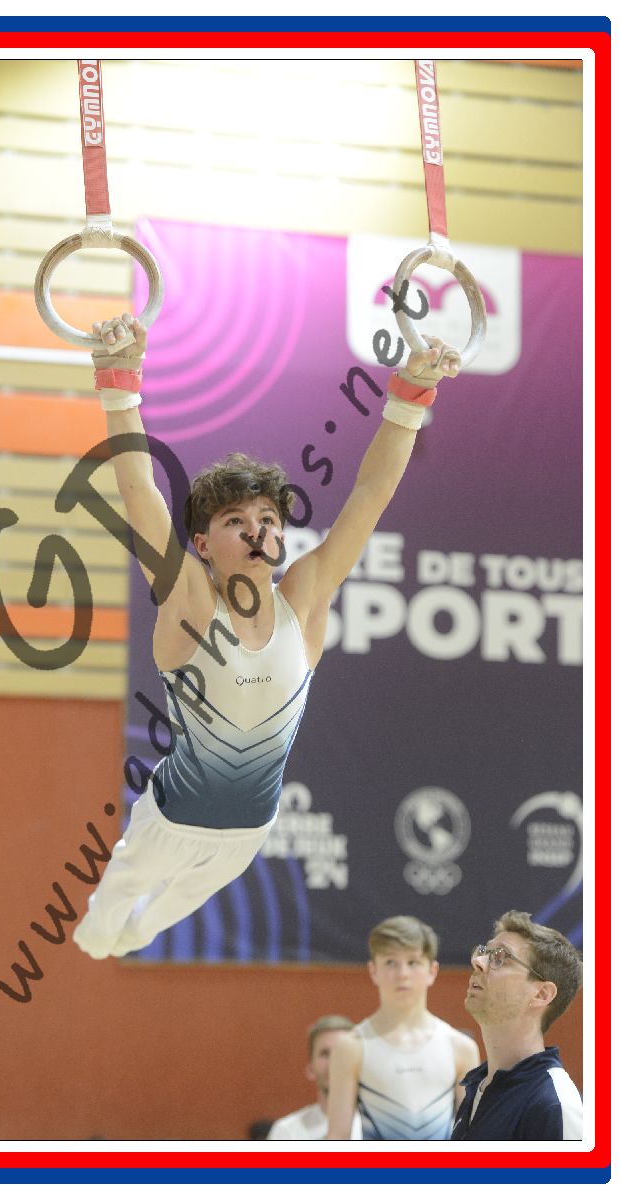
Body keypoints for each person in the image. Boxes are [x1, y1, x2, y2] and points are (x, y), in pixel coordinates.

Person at [72, 314, 460, 961]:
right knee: (105, 923)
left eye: (269, 520)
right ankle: (99, 929)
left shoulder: (303, 601)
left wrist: (410, 394)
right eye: (235, 521)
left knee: (155, 920)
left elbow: (370, 496)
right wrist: (119, 380)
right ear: (202, 544)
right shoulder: (191, 601)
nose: (257, 532)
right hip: (168, 821)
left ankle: (136, 929)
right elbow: (140, 492)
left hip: (249, 831)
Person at [326, 915, 480, 1140]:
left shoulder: (460, 1048)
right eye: (391, 962)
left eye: (413, 962)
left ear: (432, 971)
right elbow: (337, 1139)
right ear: (373, 971)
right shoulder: (351, 1048)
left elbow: (472, 1141)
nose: (402, 974)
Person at [452, 910, 583, 1140]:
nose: (477, 962)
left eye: (500, 957)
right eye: (484, 952)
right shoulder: (477, 1088)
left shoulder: (555, 1105)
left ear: (542, 994)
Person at [267, 1014, 362, 1140]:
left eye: (343, 1052)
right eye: (325, 1053)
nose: (334, 1062)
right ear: (311, 1069)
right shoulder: (287, 1132)